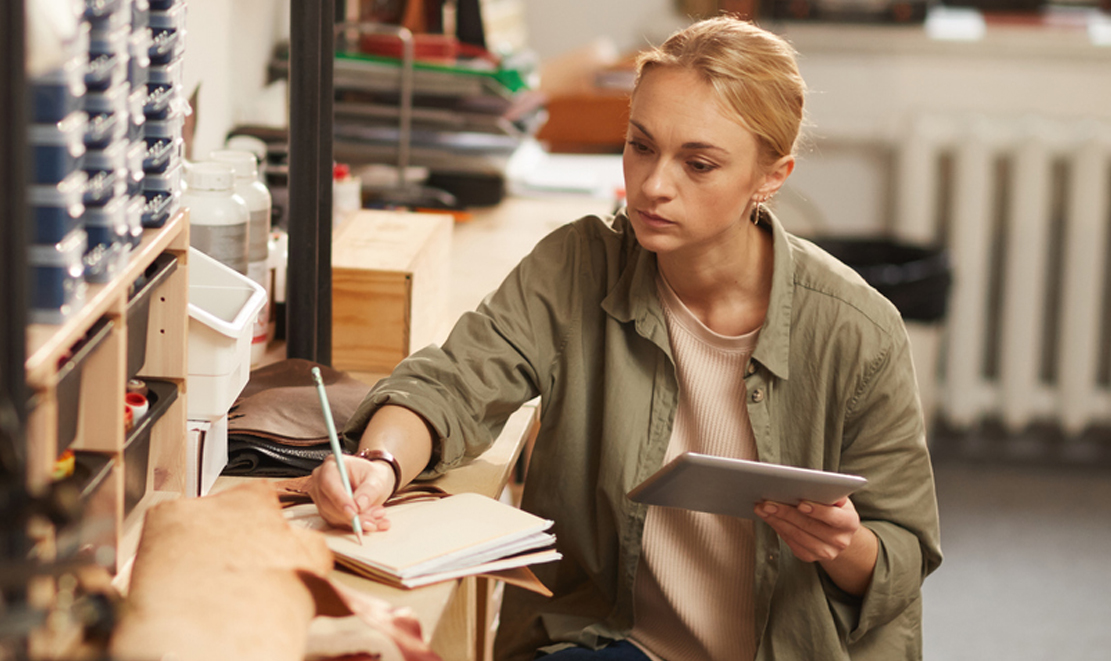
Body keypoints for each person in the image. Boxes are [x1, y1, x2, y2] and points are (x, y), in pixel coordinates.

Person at [307, 16, 942, 661]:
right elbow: (453, 382)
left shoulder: (859, 331)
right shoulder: (577, 266)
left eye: (698, 163)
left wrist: (843, 544)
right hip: (617, 643)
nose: (654, 185)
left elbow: (903, 555)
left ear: (771, 176)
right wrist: (379, 466)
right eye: (641, 146)